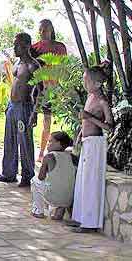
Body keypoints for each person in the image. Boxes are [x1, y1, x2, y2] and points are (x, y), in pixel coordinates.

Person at [69, 63, 113, 233]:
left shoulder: (102, 101)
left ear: (97, 84)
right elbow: (85, 120)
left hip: (96, 143)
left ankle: (89, 223)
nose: (84, 84)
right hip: (87, 142)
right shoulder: (90, 96)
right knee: (82, 182)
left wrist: (89, 118)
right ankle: (80, 218)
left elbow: (109, 126)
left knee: (91, 183)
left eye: (86, 81)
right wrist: (80, 134)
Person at [0, 33, 41, 187]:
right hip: (12, 106)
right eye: (14, 44)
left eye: (17, 45)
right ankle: (9, 173)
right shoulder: (16, 63)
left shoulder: (33, 65)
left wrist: (35, 112)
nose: (14, 47)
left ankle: (28, 175)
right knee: (9, 140)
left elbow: (41, 90)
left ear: (27, 45)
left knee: (25, 142)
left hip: (24, 107)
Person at [31, 19, 67, 162]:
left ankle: (42, 152)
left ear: (51, 29)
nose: (42, 32)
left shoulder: (60, 47)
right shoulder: (34, 48)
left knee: (47, 121)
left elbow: (63, 68)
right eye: (40, 29)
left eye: (45, 29)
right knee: (30, 119)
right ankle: (29, 150)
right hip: (34, 88)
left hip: (50, 90)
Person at [30, 131, 77, 219]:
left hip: (52, 197)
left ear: (59, 143)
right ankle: (59, 212)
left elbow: (41, 177)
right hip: (69, 199)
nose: (48, 144)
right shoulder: (72, 157)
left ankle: (38, 211)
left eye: (50, 141)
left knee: (34, 180)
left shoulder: (49, 157)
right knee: (63, 184)